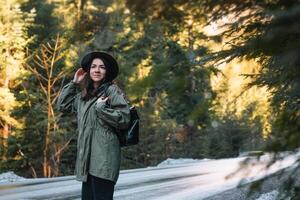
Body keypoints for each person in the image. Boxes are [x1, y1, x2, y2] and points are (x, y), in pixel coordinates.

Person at [56, 51, 131, 200]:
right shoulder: (84, 95)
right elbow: (62, 105)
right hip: (87, 161)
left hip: (104, 160)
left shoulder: (112, 91)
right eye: (93, 67)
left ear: (106, 71)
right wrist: (74, 83)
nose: (97, 70)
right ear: (88, 71)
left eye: (102, 67)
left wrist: (102, 108)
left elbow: (124, 118)